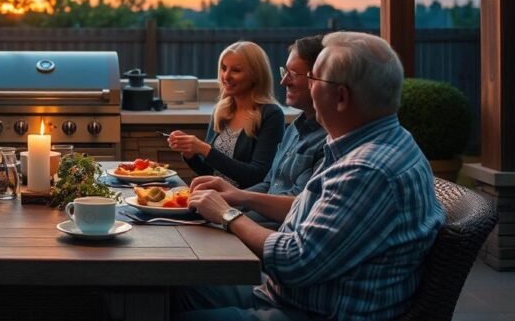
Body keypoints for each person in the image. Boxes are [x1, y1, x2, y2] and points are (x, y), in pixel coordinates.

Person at [177, 32, 445, 321]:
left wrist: (228, 214)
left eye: (313, 79)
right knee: (165, 285)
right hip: (284, 293)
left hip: (305, 310)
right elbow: (313, 211)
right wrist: (240, 196)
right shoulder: (368, 144)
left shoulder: (366, 170)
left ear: (341, 96)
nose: (292, 84)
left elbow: (293, 261)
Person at [190, 36, 327, 228]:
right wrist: (226, 197)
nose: (284, 81)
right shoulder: (295, 128)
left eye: (294, 74)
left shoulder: (273, 115)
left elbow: (299, 206)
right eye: (285, 72)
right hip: (250, 215)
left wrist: (231, 206)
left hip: (270, 229)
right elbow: (270, 183)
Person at [168, 41, 284, 188]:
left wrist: (204, 149)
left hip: (245, 204)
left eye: (236, 70)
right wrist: (190, 153)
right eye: (223, 68)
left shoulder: (271, 114)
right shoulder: (222, 110)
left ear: (256, 75)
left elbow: (257, 176)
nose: (226, 76)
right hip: (215, 197)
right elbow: (209, 172)